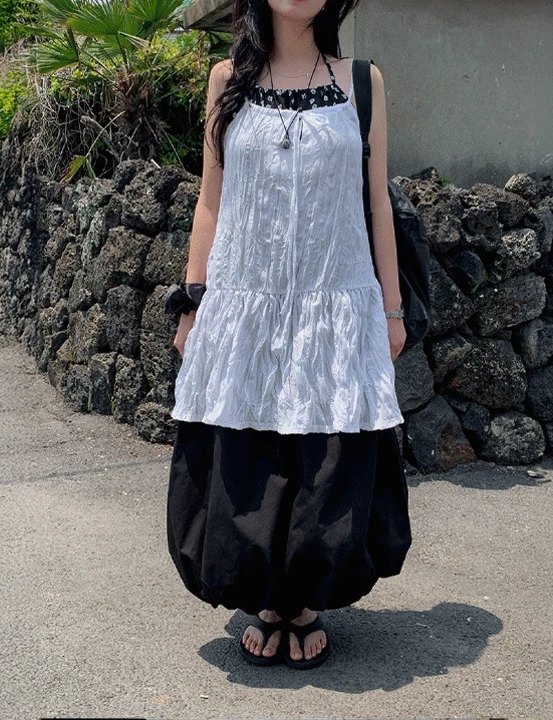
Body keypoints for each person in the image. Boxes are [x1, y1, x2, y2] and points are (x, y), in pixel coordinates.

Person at [166, 0, 412, 669]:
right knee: (252, 449)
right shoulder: (226, 80)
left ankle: (303, 604)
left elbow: (377, 202)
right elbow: (211, 200)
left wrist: (391, 311)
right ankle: (267, 602)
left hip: (335, 302)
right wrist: (192, 304)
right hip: (246, 304)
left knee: (323, 453)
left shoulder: (362, 82)